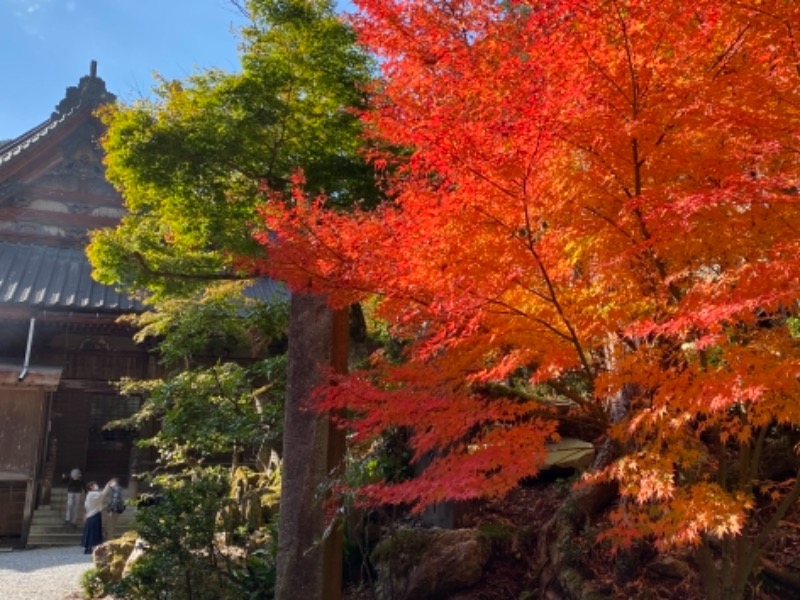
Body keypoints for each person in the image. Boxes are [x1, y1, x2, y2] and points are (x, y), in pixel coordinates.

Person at [81, 479, 117, 554]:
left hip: (91, 515)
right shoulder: (92, 494)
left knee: (90, 532)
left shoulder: (89, 494)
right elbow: (102, 495)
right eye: (94, 485)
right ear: (91, 487)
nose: (96, 486)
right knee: (93, 532)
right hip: (94, 515)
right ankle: (90, 547)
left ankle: (89, 548)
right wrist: (108, 485)